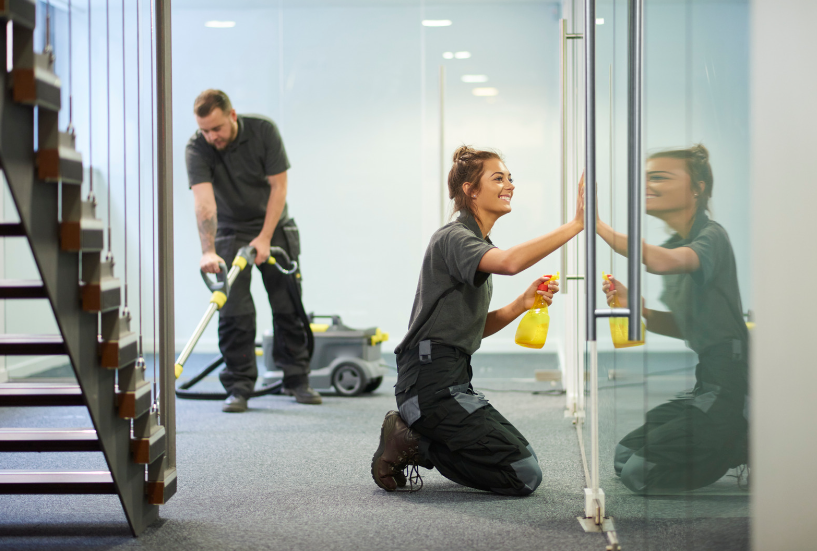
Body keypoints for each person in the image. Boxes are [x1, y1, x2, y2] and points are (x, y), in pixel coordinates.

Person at [371, 145, 585, 494]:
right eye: (497, 178)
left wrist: (520, 304)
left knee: (523, 460)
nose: (509, 185)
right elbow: (511, 262)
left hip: (452, 380)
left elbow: (466, 329)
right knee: (522, 475)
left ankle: (418, 435)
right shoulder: (455, 236)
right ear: (470, 190)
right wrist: (577, 224)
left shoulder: (475, 240)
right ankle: (411, 439)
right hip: (428, 385)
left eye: (510, 178)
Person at [597, 144, 749, 493]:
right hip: (706, 382)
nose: (647, 185)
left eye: (660, 177)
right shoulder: (678, 241)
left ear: (697, 187)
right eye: (646, 177)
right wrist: (643, 311)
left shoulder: (712, 236)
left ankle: (739, 440)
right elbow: (689, 326)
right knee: (625, 456)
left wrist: (597, 227)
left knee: (640, 474)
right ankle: (729, 436)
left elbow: (661, 261)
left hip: (729, 385)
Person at [185, 89, 320, 413]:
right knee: (234, 313)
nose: (211, 136)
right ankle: (239, 386)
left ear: (232, 116)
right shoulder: (197, 147)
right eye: (205, 130)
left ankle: (296, 380)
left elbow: (279, 187)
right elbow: (204, 202)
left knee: (288, 306)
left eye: (216, 128)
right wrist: (208, 250)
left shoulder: (263, 131)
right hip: (230, 231)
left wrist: (264, 237)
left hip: (273, 226)